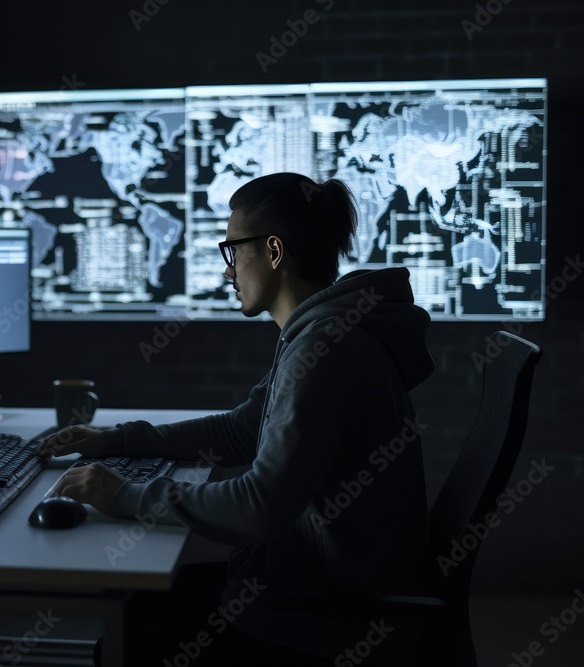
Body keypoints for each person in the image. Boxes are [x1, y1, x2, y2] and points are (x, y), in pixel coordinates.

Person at [38, 172, 435, 666]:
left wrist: (123, 495)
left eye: (232, 251)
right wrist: (116, 441)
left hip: (327, 615)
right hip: (311, 581)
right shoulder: (325, 333)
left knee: (126, 642)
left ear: (273, 251)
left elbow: (259, 505)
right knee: (139, 611)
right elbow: (240, 429)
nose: (228, 271)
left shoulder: (326, 348)